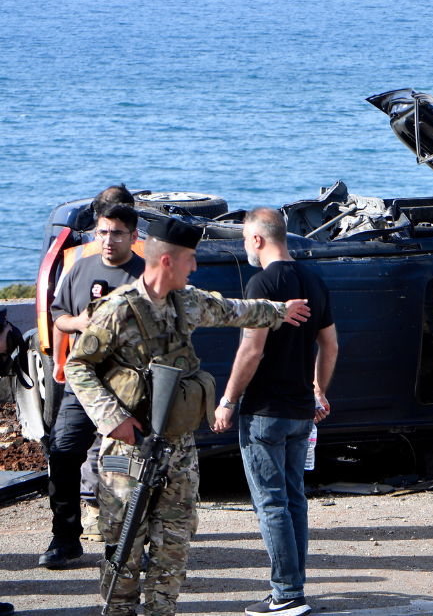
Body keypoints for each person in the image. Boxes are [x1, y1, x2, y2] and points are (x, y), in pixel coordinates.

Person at [64, 218, 310, 616]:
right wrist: (112, 419)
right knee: (124, 548)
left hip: (177, 447)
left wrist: (281, 310)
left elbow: (234, 310)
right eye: (190, 260)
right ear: (166, 262)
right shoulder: (117, 311)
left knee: (173, 547)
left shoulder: (187, 302)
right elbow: (78, 365)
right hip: (128, 449)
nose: (195, 267)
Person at [211, 209, 338, 616]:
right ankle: (293, 586)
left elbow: (251, 349)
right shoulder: (315, 282)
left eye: (246, 238)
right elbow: (331, 346)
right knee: (294, 499)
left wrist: (228, 400)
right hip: (301, 410)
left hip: (264, 410)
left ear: (259, 239)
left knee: (271, 504)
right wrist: (319, 390)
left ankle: (286, 594)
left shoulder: (261, 283)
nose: (246, 246)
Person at [41, 200, 144, 568]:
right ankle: (65, 539)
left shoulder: (145, 276)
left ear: (133, 236)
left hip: (126, 389)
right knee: (63, 453)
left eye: (117, 233)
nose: (108, 240)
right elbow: (59, 317)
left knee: (123, 467)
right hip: (81, 385)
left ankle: (124, 547)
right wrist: (82, 323)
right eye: (102, 231)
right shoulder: (81, 268)